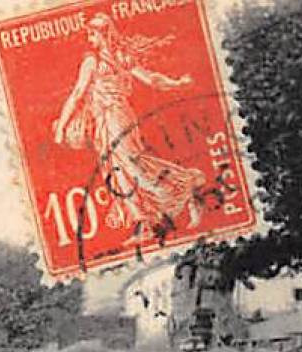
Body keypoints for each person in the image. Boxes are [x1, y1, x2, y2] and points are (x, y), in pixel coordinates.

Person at [52, 13, 205, 234]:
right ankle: (142, 220)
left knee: (131, 166)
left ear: (103, 34)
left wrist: (62, 128)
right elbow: (152, 79)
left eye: (92, 33)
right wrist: (177, 83)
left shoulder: (94, 61)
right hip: (107, 119)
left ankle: (185, 184)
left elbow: (77, 93)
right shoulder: (119, 57)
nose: (89, 38)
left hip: (114, 117)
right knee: (116, 169)